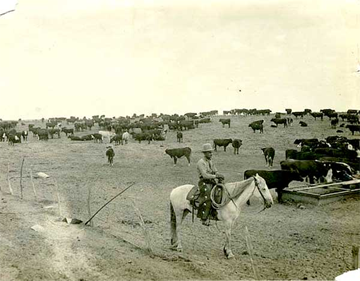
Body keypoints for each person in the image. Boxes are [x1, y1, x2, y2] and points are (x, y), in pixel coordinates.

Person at [196, 143, 225, 226]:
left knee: (220, 191)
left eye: (211, 152)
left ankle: (214, 213)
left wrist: (219, 175)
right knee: (207, 196)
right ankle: (204, 218)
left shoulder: (210, 161)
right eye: (209, 152)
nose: (211, 154)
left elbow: (215, 170)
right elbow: (204, 175)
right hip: (204, 182)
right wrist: (215, 176)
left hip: (211, 181)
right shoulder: (201, 162)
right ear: (204, 153)